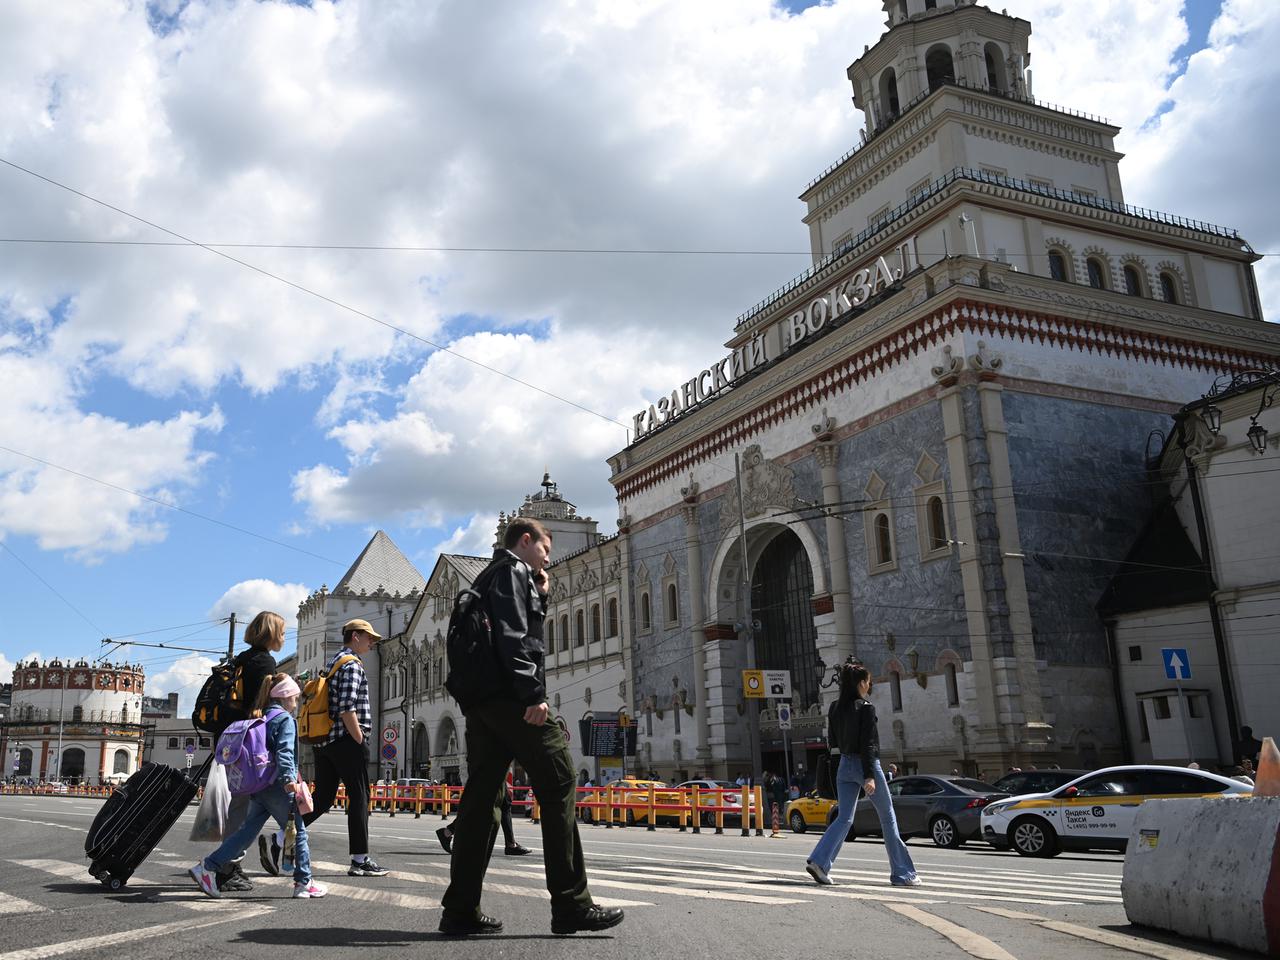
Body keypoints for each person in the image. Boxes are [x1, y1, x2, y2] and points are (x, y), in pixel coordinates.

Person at [439, 517, 623, 937]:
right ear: (526, 541)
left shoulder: (487, 576)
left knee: (483, 799)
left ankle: (460, 909)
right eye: (545, 547)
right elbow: (515, 638)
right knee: (559, 782)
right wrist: (532, 695)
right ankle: (571, 903)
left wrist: (538, 596)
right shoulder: (511, 572)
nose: (548, 557)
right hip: (511, 699)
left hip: (481, 704)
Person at [262, 618, 389, 879]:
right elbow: (346, 708)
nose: (372, 642)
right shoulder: (352, 665)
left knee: (321, 800)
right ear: (355, 636)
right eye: (369, 637)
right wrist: (360, 740)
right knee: (360, 796)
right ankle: (360, 859)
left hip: (324, 741)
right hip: (346, 740)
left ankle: (279, 839)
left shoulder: (332, 663)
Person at [190, 673, 326, 899]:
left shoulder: (262, 717)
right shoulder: (285, 720)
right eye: (294, 698)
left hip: (258, 785)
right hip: (277, 786)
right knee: (298, 832)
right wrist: (288, 781)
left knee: (245, 834)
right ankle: (304, 883)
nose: (296, 702)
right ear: (284, 697)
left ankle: (207, 867)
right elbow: (284, 752)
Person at [805, 661, 920, 888]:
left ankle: (819, 861)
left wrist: (842, 768)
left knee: (845, 818)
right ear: (860, 683)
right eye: (867, 681)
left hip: (843, 765)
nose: (869, 684)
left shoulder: (835, 707)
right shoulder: (866, 708)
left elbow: (833, 743)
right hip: (865, 765)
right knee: (887, 818)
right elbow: (869, 745)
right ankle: (902, 873)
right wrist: (868, 775)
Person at [215, 610, 284, 893]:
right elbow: (263, 705)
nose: (282, 636)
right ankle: (226, 867)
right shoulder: (264, 661)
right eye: (281, 631)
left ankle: (231, 863)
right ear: (270, 633)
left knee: (244, 806)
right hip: (250, 743)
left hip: (232, 739)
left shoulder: (241, 659)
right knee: (244, 807)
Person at [437, 767, 531, 856]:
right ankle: (448, 832)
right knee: (481, 806)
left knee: (504, 803)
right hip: (489, 766)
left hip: (491, 766)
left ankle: (511, 843)